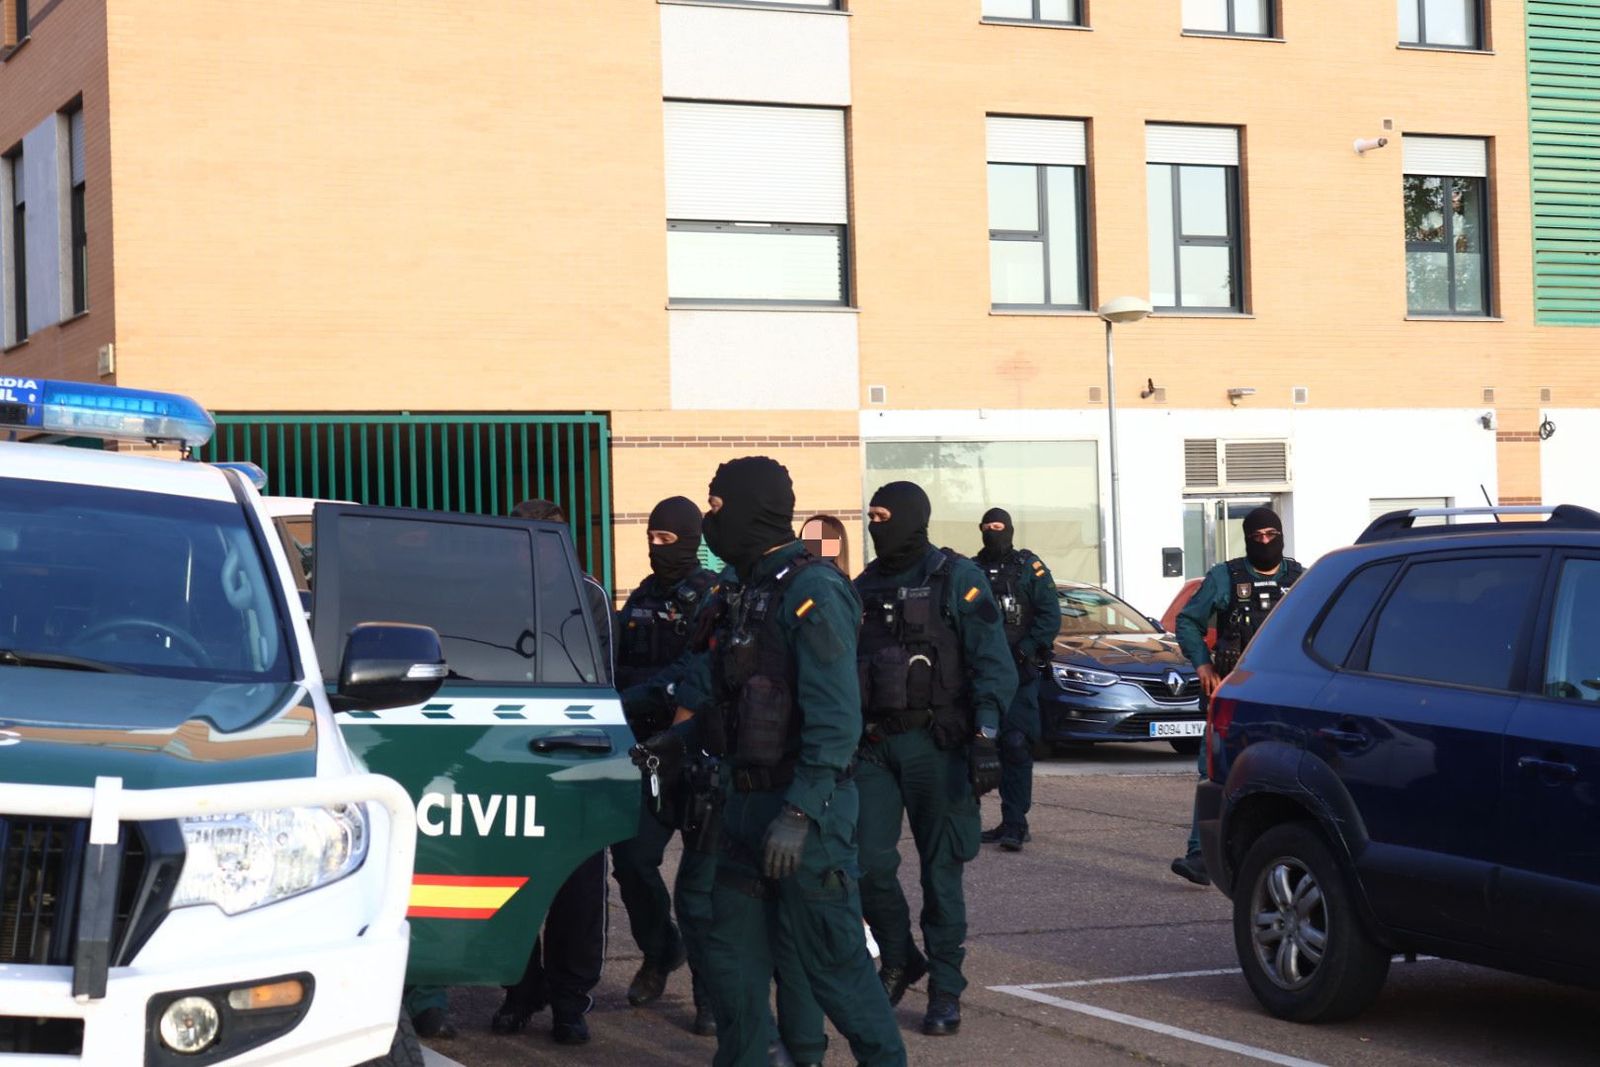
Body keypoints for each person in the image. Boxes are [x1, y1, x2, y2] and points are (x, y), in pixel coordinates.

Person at [646, 457, 906, 1067]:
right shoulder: (744, 589)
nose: (708, 520)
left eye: (715, 507)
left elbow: (837, 718)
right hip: (741, 812)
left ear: (750, 508)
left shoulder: (811, 589)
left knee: (835, 968)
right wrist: (671, 744)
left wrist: (799, 811)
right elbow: (717, 688)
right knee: (733, 972)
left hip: (802, 817)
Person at [853, 482, 1014, 1036]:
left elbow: (993, 662)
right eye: (870, 516)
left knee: (941, 875)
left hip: (938, 746)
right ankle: (899, 956)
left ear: (912, 518)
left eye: (883, 515)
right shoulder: (862, 586)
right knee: (864, 864)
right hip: (874, 747)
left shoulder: (954, 578)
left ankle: (946, 988)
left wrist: (986, 736)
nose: (875, 525)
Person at [487, 497, 612, 1045]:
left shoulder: (588, 594)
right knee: (510, 881)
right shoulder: (491, 595)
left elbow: (606, 680)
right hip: (508, 755)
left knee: (577, 888)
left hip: (575, 754)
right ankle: (521, 988)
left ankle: (568, 1001)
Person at [610, 496, 724, 1035]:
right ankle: (661, 950)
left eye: (666, 540)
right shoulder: (641, 598)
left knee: (701, 889)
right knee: (632, 860)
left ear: (689, 538)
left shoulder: (712, 596)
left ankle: (708, 991)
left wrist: (635, 698)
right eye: (650, 539)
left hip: (696, 754)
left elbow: (695, 668)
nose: (656, 549)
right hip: (644, 753)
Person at [1170, 506, 1303, 886]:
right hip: (1234, 691)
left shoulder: (1300, 578)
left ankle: (1277, 854)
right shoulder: (1225, 578)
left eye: (1271, 536)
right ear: (1246, 538)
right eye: (1256, 536)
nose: (1264, 542)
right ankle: (1200, 856)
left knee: (1284, 777)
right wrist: (1202, 665)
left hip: (1284, 695)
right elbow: (1187, 621)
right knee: (1214, 772)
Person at [973, 507, 1062, 853]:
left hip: (1019, 673)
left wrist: (1025, 650)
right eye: (987, 527)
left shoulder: (1029, 567)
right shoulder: (971, 569)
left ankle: (1014, 824)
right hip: (980, 674)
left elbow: (1050, 615)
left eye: (999, 527)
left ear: (1009, 529)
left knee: (1014, 745)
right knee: (976, 745)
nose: (993, 532)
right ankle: (967, 822)